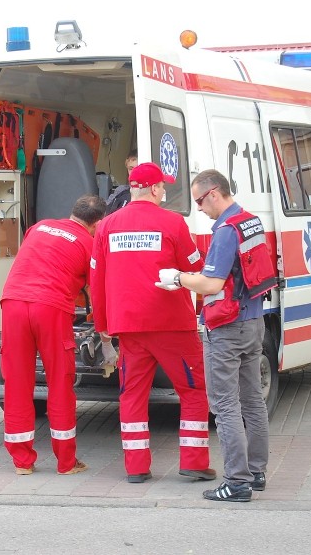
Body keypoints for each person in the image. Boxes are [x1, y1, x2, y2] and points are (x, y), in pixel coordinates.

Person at [157, 169, 277, 502]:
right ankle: (256, 472)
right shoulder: (250, 221)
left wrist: (179, 278)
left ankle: (237, 482)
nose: (199, 208)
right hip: (254, 323)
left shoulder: (226, 231)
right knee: (253, 402)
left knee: (224, 406)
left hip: (227, 329)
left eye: (199, 200)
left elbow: (211, 285)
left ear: (213, 193)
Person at [91, 162, 214, 484]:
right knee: (192, 390)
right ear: (156, 189)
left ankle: (136, 468)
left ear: (133, 189)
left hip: (129, 327)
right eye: (163, 187)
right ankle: (193, 461)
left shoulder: (106, 226)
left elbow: (97, 278)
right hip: (172, 324)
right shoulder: (173, 223)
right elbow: (196, 267)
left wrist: (103, 324)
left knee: (132, 394)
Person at [0, 194, 107, 476]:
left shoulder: (39, 227)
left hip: (12, 303)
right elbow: (96, 293)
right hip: (50, 307)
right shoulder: (90, 243)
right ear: (97, 224)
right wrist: (106, 333)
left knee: (17, 382)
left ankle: (22, 463)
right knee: (60, 382)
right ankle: (66, 463)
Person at [104, 149, 138, 215]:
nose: (134, 172)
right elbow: (104, 211)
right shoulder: (121, 190)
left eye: (138, 168)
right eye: (131, 169)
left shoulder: (149, 193)